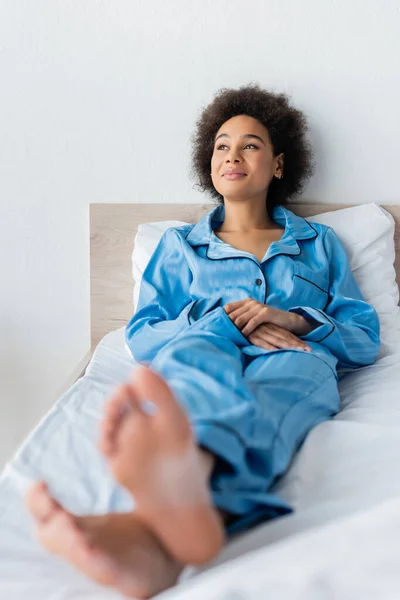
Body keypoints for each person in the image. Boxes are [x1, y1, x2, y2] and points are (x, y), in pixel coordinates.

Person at [25, 83, 380, 598]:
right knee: (191, 359)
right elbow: (145, 333)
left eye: (251, 144)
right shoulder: (178, 247)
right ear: (208, 162)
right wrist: (224, 320)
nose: (233, 154)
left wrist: (295, 319)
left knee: (284, 384)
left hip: (294, 356)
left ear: (279, 164)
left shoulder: (318, 242)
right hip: (206, 345)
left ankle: (150, 535)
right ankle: (186, 489)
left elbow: (364, 337)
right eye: (221, 145)